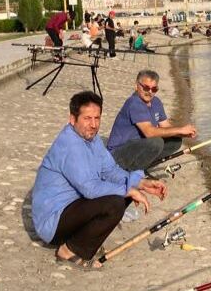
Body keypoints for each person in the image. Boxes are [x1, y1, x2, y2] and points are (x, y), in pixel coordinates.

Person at [31, 90, 167, 266]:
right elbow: (90, 188)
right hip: (53, 222)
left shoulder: (91, 139)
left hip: (73, 209)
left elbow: (110, 170)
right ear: (72, 119)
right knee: (115, 202)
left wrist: (141, 183)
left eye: (97, 118)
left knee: (123, 192)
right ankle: (69, 250)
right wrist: (128, 190)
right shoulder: (70, 145)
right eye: (87, 118)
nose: (94, 125)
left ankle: (82, 241)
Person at [107, 69, 198, 172]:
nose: (150, 92)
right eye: (146, 88)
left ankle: (142, 166)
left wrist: (184, 133)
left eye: (154, 89)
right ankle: (132, 173)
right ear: (136, 86)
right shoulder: (134, 103)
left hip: (138, 146)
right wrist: (180, 130)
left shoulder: (156, 102)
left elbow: (166, 126)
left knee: (175, 140)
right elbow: (149, 132)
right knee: (156, 142)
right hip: (117, 154)